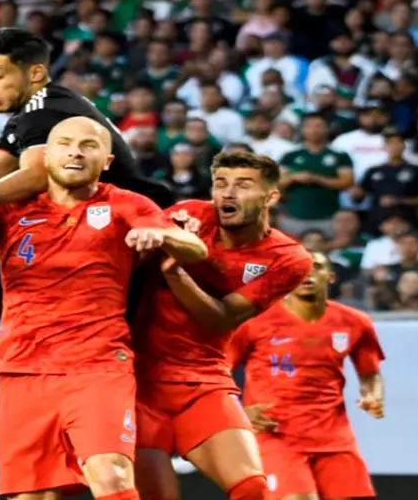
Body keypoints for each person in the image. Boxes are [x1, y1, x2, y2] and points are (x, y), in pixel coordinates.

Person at [0, 28, 175, 498]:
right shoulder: (25, 116)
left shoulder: (49, 111)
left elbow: (31, 176)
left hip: (120, 242)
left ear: (34, 73)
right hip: (58, 239)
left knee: (118, 446)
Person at [133, 151, 313, 500]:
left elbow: (220, 317)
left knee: (253, 490)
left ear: (271, 196)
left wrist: (175, 269)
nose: (228, 193)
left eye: (243, 185)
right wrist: (162, 238)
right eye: (220, 183)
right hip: (137, 380)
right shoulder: (190, 215)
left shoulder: (288, 258)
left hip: (202, 379)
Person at [228, 251, 385, 500]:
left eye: (316, 267)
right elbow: (218, 369)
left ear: (330, 276)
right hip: (276, 435)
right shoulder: (254, 320)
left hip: (334, 437)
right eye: (300, 269)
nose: (308, 274)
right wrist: (238, 412)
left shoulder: (355, 322)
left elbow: (370, 374)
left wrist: (373, 396)